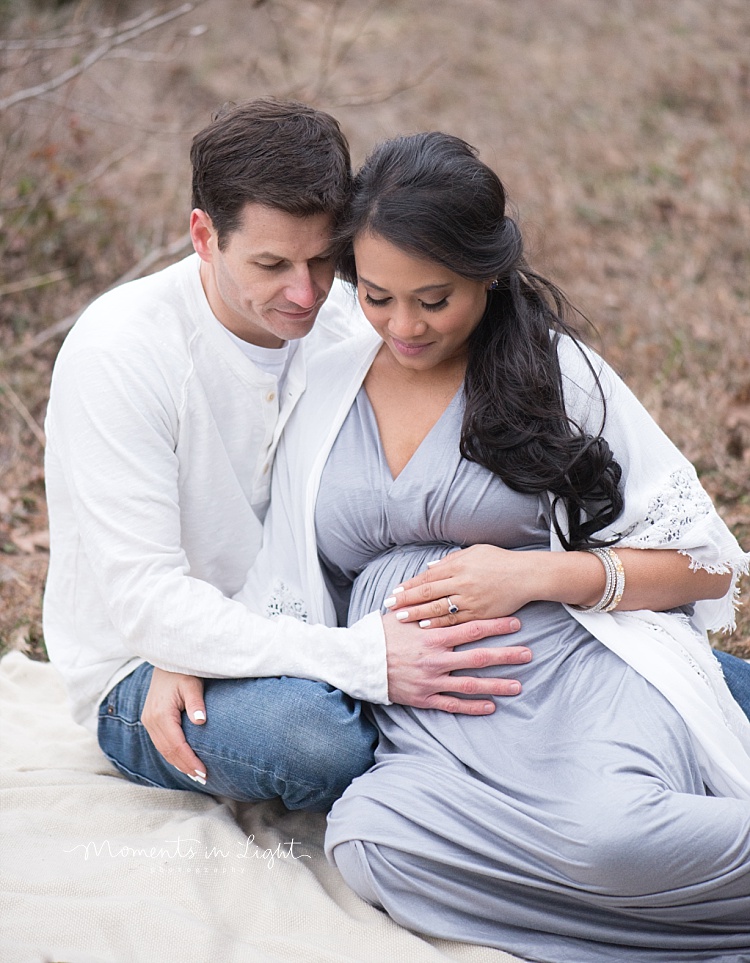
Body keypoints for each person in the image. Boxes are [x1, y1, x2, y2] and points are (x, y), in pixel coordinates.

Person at [205, 131, 749, 960]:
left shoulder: (554, 374)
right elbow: (272, 571)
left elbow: (705, 565)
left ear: (487, 274)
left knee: (613, 839)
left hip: (572, 680)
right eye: (378, 296)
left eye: (435, 298)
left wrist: (534, 570)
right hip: (429, 724)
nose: (404, 325)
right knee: (372, 841)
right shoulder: (325, 381)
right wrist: (183, 649)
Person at [42, 101, 529, 814]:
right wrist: (364, 659)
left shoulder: (350, 323)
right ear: (203, 236)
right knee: (314, 741)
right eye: (270, 264)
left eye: (323, 259)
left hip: (316, 626)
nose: (304, 293)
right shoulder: (121, 351)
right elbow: (149, 604)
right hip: (150, 671)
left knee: (520, 666)